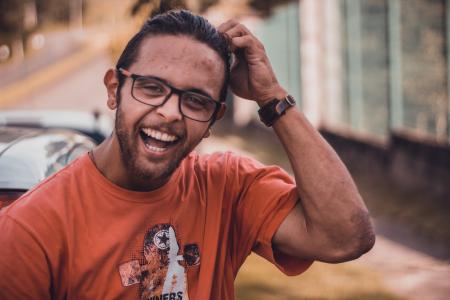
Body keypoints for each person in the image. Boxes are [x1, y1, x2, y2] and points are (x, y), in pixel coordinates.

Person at [0, 10, 375, 300]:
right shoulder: (29, 230)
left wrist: (272, 97)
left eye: (195, 101)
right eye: (151, 87)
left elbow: (345, 237)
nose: (170, 113)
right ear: (114, 89)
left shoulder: (226, 186)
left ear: (213, 119)